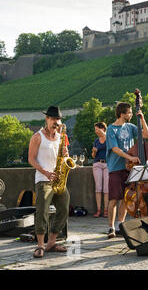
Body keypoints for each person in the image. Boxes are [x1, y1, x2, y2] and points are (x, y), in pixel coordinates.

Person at [28, 106, 70, 258]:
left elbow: (65, 158)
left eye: (58, 119)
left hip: (58, 179)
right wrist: (44, 171)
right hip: (43, 180)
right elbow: (30, 159)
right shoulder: (37, 137)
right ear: (47, 119)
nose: (56, 122)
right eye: (53, 119)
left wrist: (66, 154)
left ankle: (51, 243)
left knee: (64, 209)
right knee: (42, 212)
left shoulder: (61, 136)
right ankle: (40, 245)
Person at [106, 102, 148, 238]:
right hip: (116, 167)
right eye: (129, 112)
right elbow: (115, 149)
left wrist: (142, 119)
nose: (131, 114)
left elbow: (146, 135)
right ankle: (111, 227)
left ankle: (120, 225)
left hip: (130, 168)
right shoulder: (111, 129)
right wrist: (129, 157)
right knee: (114, 199)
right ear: (122, 114)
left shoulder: (130, 127)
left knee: (126, 198)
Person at [92, 122, 109, 218]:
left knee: (106, 189)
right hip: (97, 163)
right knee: (98, 188)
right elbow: (93, 155)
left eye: (97, 129)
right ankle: (99, 210)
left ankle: (106, 210)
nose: (95, 131)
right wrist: (94, 152)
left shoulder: (110, 139)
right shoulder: (96, 141)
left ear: (103, 129)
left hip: (107, 164)